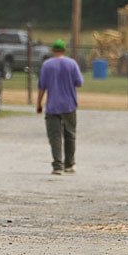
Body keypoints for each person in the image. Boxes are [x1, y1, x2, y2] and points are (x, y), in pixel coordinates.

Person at [36, 39, 83, 175]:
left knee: (55, 136)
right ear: (64, 50)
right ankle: (69, 164)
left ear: (53, 50)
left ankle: (57, 166)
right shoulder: (72, 64)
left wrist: (39, 104)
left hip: (52, 106)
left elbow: (41, 87)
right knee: (70, 135)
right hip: (69, 105)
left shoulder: (47, 65)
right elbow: (79, 82)